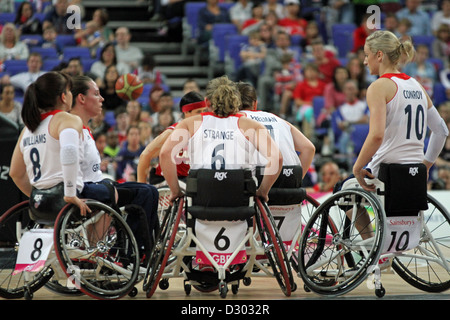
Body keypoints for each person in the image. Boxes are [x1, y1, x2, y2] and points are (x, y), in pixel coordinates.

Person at [159, 75, 283, 204]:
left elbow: (165, 154)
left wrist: (175, 191)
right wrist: (263, 191)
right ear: (236, 101)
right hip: (240, 198)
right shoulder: (250, 125)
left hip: (202, 197)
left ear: (207, 102)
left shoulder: (190, 123)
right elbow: (277, 158)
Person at [353, 30, 448, 194]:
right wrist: (425, 165)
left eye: (367, 55)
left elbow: (376, 135)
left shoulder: (378, 86)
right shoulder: (416, 85)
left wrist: (357, 166)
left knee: (343, 192)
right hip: (414, 172)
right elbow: (441, 130)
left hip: (385, 171)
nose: (365, 61)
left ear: (380, 55)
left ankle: (367, 222)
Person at [70, 75, 159, 250]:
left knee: (149, 191)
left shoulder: (83, 127)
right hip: (85, 190)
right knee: (143, 194)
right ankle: (133, 252)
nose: (102, 98)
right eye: (96, 94)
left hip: (94, 186)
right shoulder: (72, 128)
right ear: (81, 98)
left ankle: (138, 249)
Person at [9, 71, 90, 217]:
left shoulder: (27, 129)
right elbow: (69, 152)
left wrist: (40, 197)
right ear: (64, 97)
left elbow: (15, 173)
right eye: (69, 91)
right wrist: (70, 193)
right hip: (64, 198)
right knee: (109, 191)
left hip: (37, 203)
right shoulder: (66, 119)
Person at [137, 90, 209, 185]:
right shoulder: (172, 132)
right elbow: (145, 155)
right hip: (165, 181)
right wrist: (142, 186)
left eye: (204, 111)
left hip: (189, 180)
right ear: (187, 112)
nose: (202, 115)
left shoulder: (206, 132)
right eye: (199, 112)